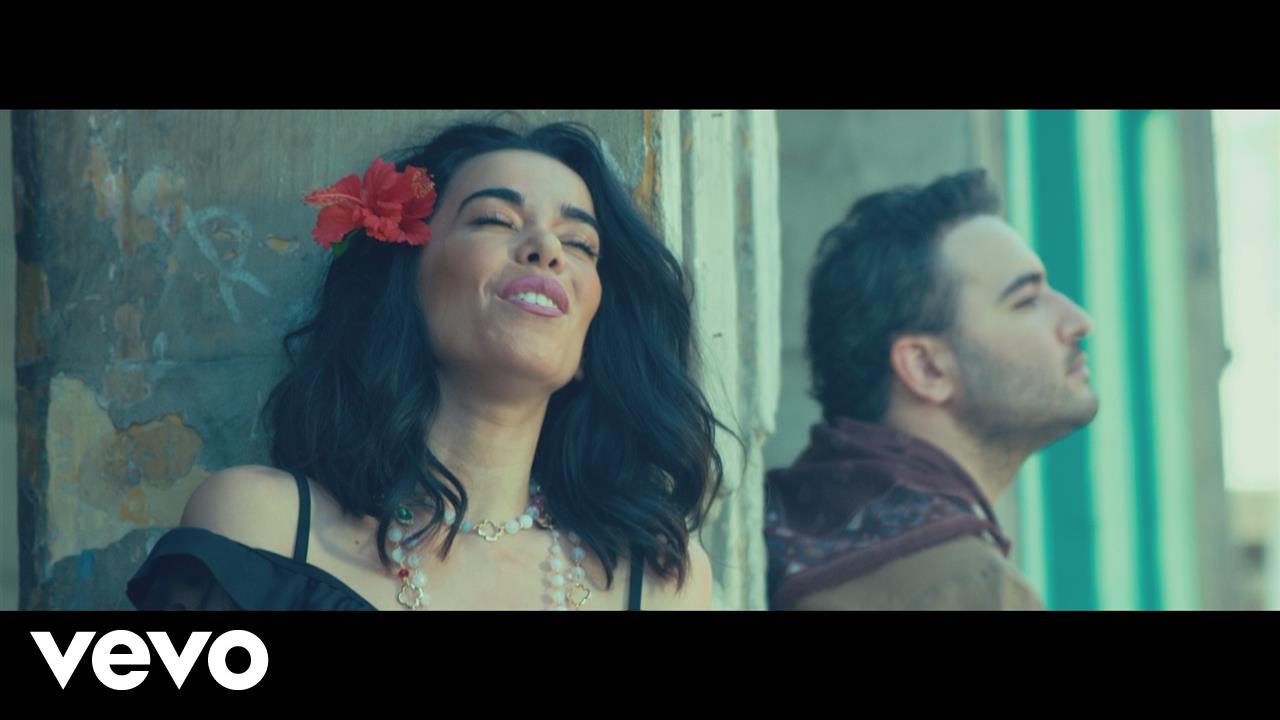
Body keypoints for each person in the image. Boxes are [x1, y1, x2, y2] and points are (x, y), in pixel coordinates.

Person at [128, 121, 723, 610]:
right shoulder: (263, 530)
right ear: (404, 282)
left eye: (580, 245)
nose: (547, 249)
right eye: (495, 219)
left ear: (593, 340)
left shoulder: (661, 583)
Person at [766, 169, 1097, 610]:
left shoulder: (775, 529)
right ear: (926, 367)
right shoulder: (972, 589)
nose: (1079, 321)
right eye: (1026, 300)